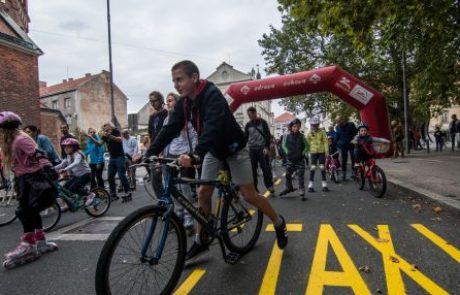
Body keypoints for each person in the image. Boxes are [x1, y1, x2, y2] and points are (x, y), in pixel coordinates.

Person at [146, 60, 288, 260]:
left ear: (194, 77)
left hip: (234, 148)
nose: (176, 85)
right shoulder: (184, 103)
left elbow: (212, 127)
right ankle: (200, 240)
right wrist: (149, 153)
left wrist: (195, 155)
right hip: (213, 150)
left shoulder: (212, 95)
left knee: (248, 194)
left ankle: (279, 222)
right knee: (203, 192)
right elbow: (169, 129)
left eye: (179, 80)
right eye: (173, 81)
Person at [0, 111, 58, 269]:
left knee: (25, 211)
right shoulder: (11, 140)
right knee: (30, 211)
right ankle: (40, 241)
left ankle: (29, 244)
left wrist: (47, 167)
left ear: (6, 129)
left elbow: (38, 153)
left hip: (33, 179)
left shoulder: (20, 139)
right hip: (23, 180)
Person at [163, 92, 198, 230]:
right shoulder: (166, 120)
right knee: (171, 188)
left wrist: (193, 155)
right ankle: (179, 213)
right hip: (170, 156)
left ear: (177, 103)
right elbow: (164, 138)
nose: (168, 103)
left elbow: (194, 136)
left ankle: (189, 216)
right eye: (167, 101)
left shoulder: (186, 117)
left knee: (185, 188)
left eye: (170, 100)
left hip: (185, 156)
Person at [54, 138, 95, 207]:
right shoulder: (68, 156)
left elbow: (76, 163)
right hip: (77, 176)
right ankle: (69, 203)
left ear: (74, 147)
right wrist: (51, 168)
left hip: (86, 175)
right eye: (65, 147)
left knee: (73, 188)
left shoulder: (78, 154)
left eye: (68, 146)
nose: (66, 148)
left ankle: (90, 195)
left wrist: (65, 169)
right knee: (65, 188)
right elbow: (62, 164)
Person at [244, 106, 275, 194]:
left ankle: (269, 185)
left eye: (250, 115)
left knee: (266, 169)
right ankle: (255, 188)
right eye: (248, 115)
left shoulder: (263, 122)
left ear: (255, 113)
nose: (249, 117)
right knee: (252, 171)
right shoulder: (248, 125)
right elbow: (245, 137)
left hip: (262, 149)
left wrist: (266, 147)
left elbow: (267, 135)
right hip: (252, 150)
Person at [101, 122, 132, 202]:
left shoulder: (116, 131)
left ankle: (128, 192)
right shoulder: (106, 135)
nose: (106, 130)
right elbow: (99, 144)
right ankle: (113, 194)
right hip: (112, 158)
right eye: (104, 129)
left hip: (120, 157)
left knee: (121, 175)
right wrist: (89, 137)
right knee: (110, 176)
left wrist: (110, 135)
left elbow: (119, 140)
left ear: (110, 127)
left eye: (107, 128)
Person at [279, 118, 309, 199]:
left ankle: (301, 190)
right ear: (291, 127)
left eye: (298, 126)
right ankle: (289, 187)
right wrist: (287, 151)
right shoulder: (287, 136)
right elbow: (283, 145)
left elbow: (307, 146)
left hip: (300, 160)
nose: (296, 128)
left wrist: (302, 153)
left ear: (299, 127)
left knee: (300, 175)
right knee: (288, 174)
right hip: (290, 159)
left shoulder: (302, 136)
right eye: (294, 126)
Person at [148, 91, 168, 198]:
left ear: (161, 100)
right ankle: (162, 201)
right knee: (155, 179)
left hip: (165, 150)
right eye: (151, 102)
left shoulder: (167, 114)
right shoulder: (152, 117)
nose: (152, 104)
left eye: (154, 101)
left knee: (168, 179)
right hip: (155, 151)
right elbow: (152, 135)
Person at [306, 117, 329, 193]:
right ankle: (310, 185)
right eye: (313, 125)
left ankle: (324, 185)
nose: (314, 126)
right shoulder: (309, 133)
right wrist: (307, 152)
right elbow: (307, 143)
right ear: (311, 125)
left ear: (318, 124)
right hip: (313, 152)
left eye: (316, 125)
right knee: (313, 167)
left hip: (321, 151)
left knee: (322, 167)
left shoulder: (322, 132)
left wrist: (327, 151)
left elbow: (325, 141)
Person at [335, 116, 357, 180]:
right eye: (337, 122)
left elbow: (355, 134)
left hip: (352, 145)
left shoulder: (351, 124)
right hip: (343, 146)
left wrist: (355, 141)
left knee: (354, 158)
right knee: (344, 160)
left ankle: (353, 173)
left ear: (342, 120)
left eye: (338, 121)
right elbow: (337, 137)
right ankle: (343, 174)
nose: (338, 123)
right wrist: (335, 144)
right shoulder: (337, 127)